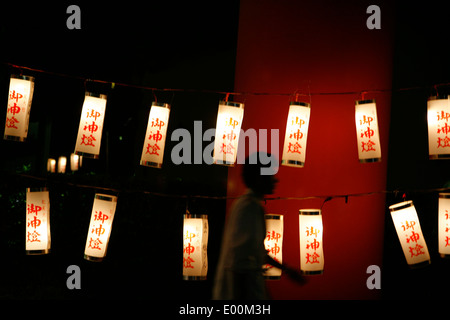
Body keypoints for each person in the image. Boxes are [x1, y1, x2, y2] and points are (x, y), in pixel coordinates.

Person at [212, 152, 306, 300]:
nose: (275, 180)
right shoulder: (248, 207)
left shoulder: (247, 204)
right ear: (258, 177)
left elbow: (256, 252)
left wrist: (286, 270)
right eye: (270, 175)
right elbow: (241, 262)